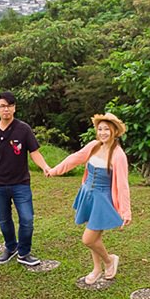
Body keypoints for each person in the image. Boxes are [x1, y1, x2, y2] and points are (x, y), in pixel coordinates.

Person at [46, 113, 131, 284]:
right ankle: (97, 269)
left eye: (107, 129)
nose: (103, 133)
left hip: (102, 199)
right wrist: (55, 170)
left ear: (114, 131)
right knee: (94, 237)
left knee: (88, 239)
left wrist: (126, 211)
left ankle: (109, 260)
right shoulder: (94, 146)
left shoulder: (118, 155)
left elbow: (122, 184)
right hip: (88, 194)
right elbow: (74, 159)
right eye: (100, 129)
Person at [0, 91, 51, 266]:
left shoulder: (23, 129)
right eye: (2, 106)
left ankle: (24, 253)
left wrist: (45, 167)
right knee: (4, 219)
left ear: (14, 108)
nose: (6, 109)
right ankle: (11, 247)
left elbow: (34, 152)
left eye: (10, 106)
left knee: (27, 219)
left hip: (21, 184)